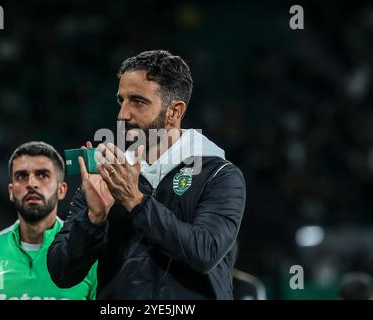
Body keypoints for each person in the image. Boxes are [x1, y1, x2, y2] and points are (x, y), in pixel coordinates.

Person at [47, 50, 246, 299]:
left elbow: (205, 252)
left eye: (138, 101)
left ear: (174, 111)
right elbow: (61, 272)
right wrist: (93, 220)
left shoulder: (219, 175)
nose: (123, 115)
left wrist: (136, 202)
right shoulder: (109, 176)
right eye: (122, 101)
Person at [0, 141, 97, 300]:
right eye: (22, 176)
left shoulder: (87, 253)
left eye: (43, 175)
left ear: (61, 190)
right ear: (11, 191)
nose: (31, 184)